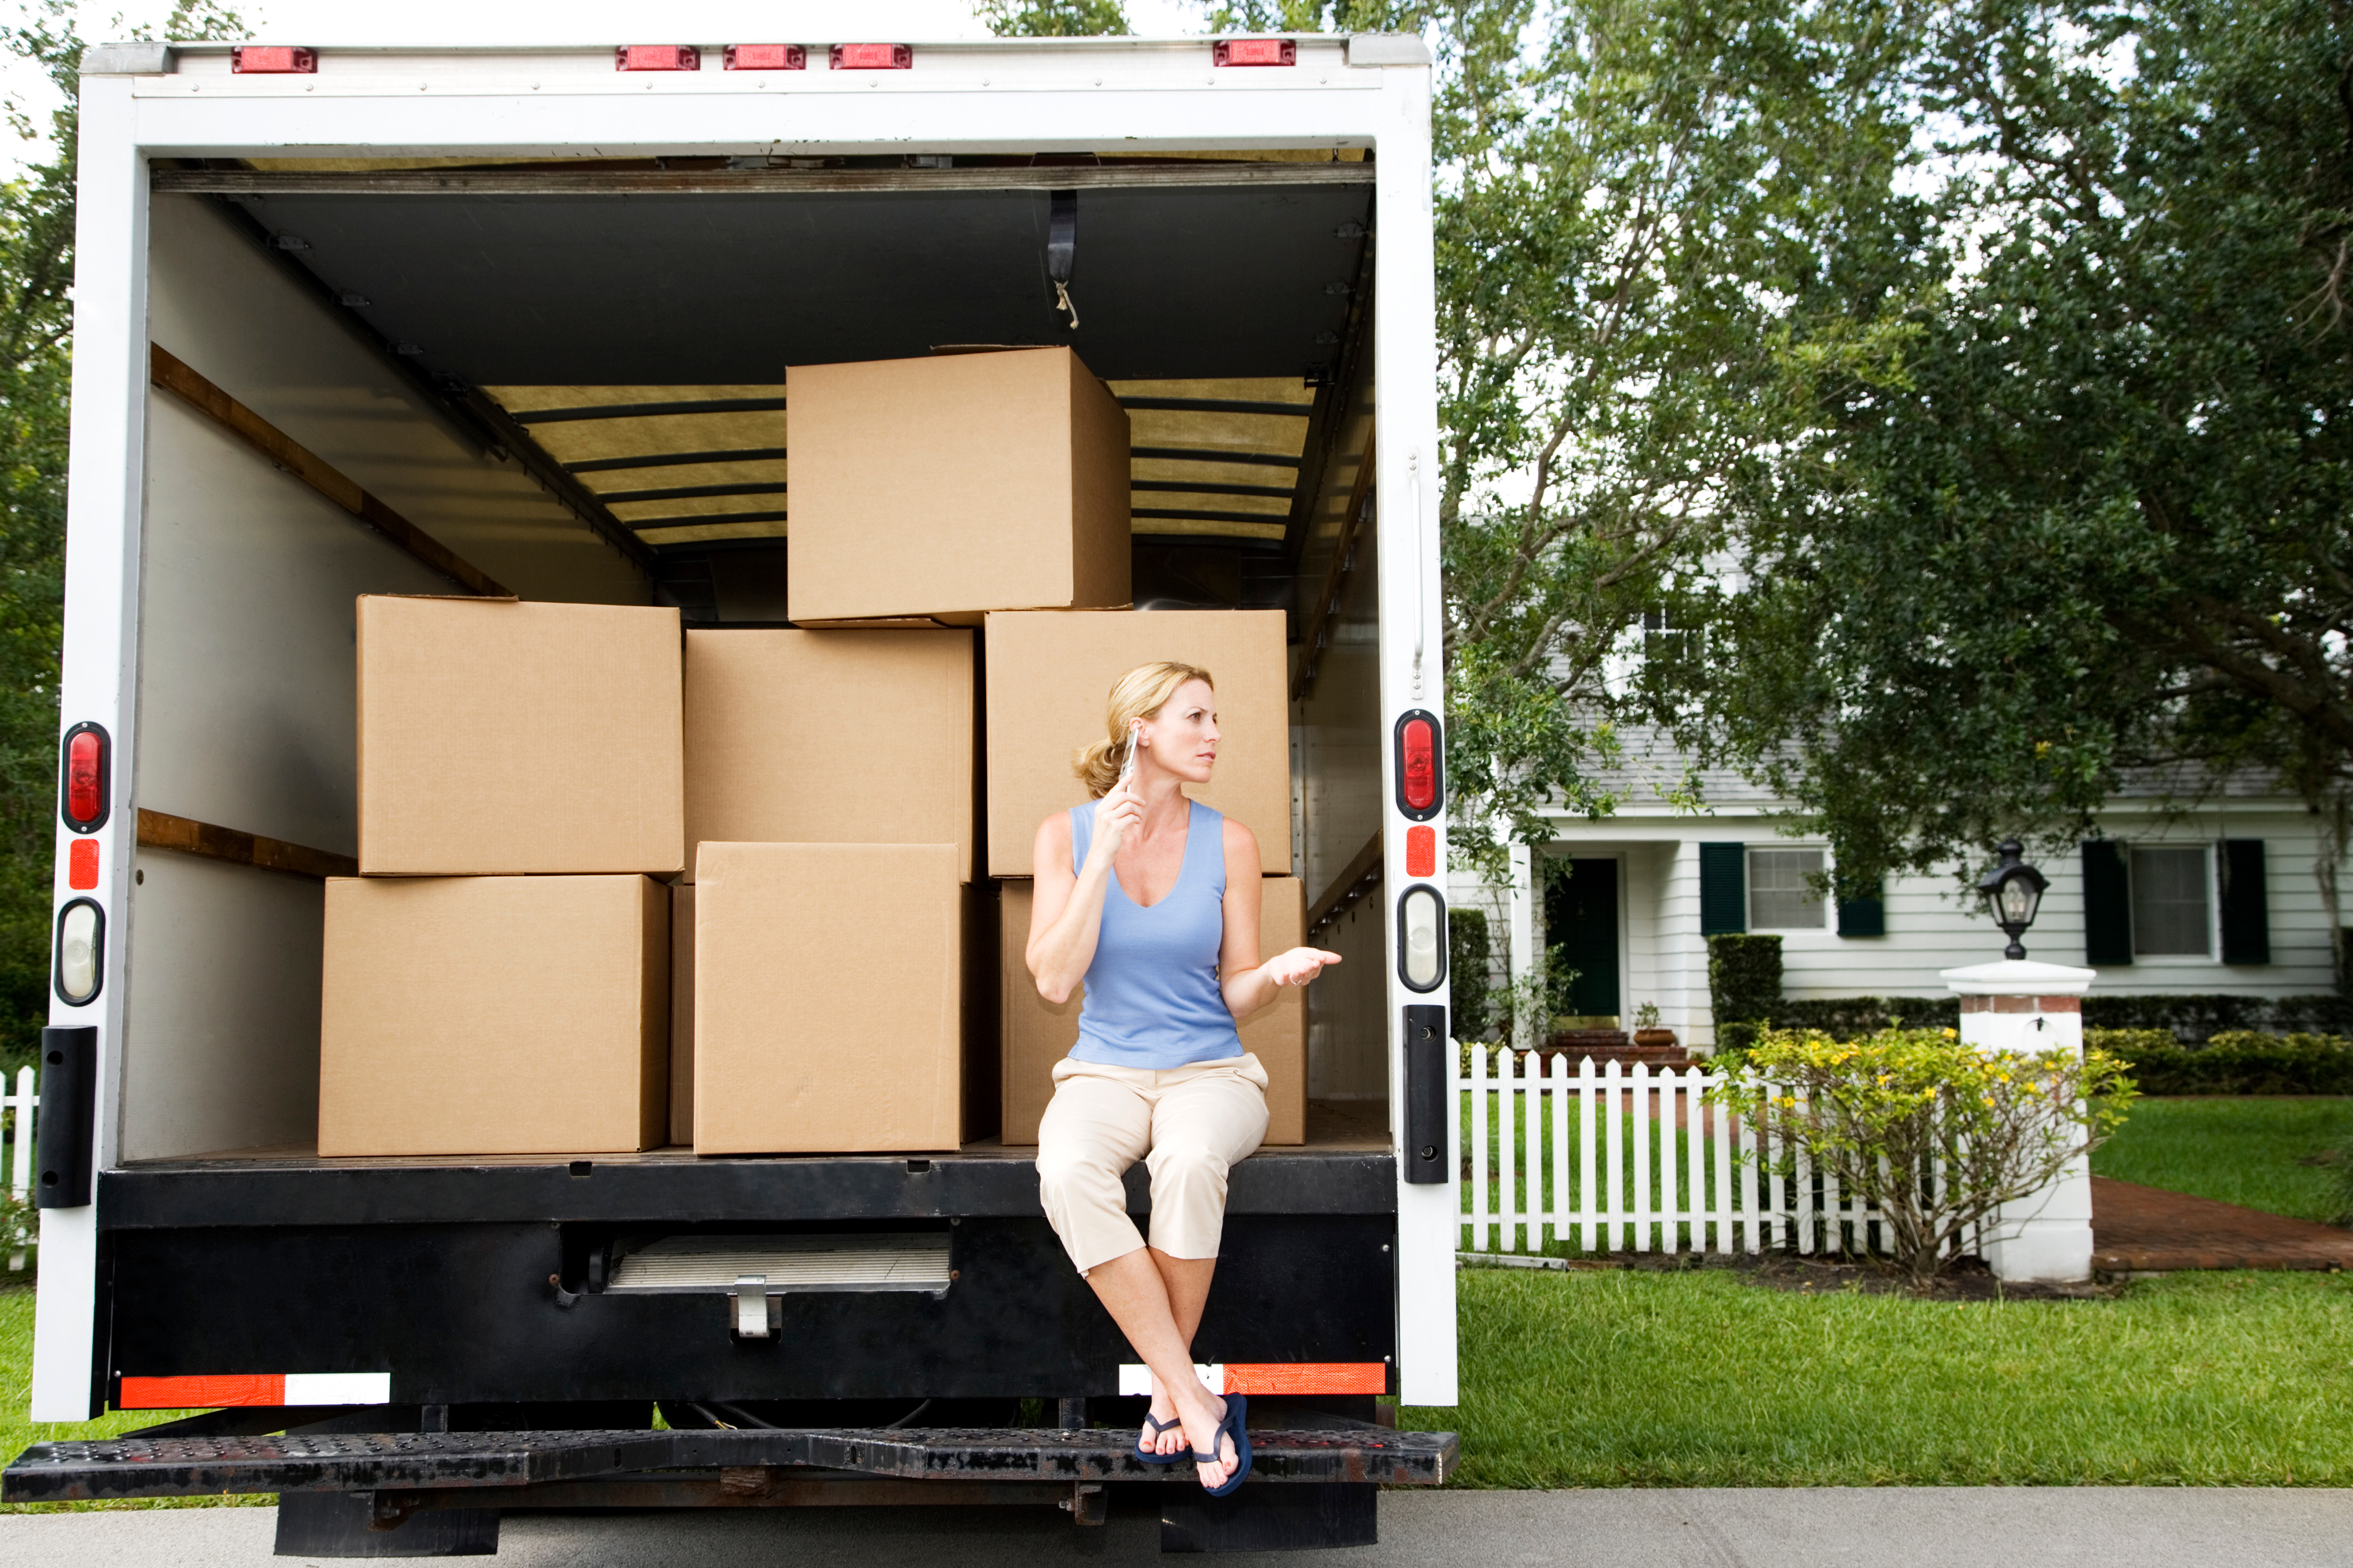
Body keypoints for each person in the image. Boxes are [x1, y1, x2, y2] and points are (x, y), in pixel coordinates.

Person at [1026, 660, 1344, 1496]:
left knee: (1192, 1159)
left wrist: (1274, 972)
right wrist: (1102, 858)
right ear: (1142, 731)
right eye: (1196, 718)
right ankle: (1194, 1396)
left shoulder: (1230, 841)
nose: (1213, 736)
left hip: (1212, 1069)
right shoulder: (1064, 835)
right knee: (1064, 1171)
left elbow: (1234, 990)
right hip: (1102, 1072)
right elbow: (1054, 982)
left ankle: (1173, 1394)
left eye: (1214, 719)